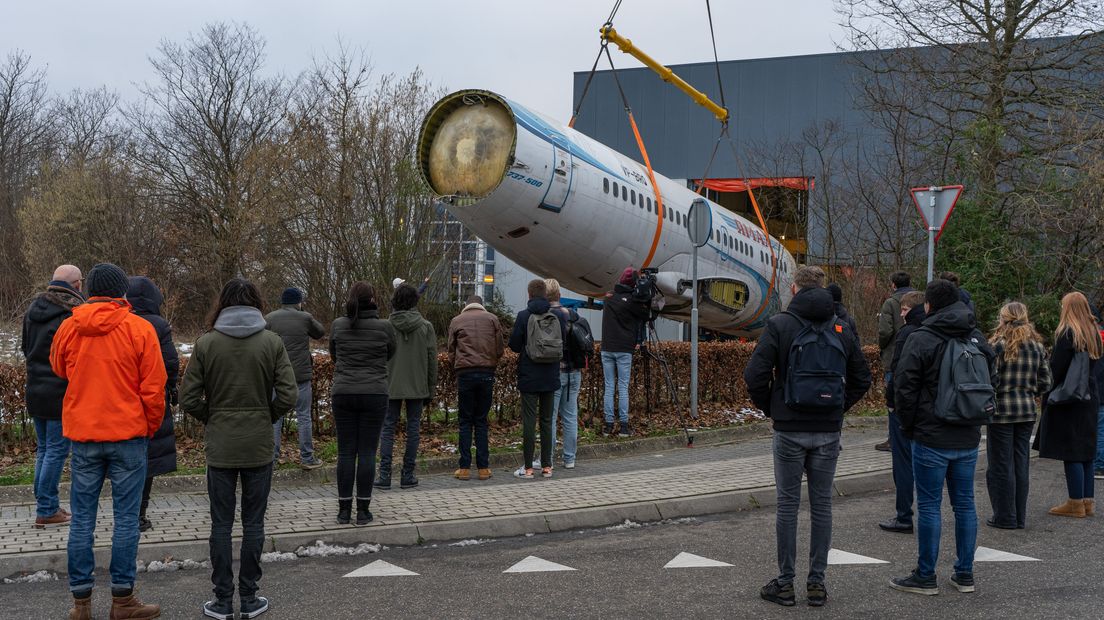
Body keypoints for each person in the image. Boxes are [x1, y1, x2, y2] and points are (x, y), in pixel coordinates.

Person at [744, 266, 872, 607]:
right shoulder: (841, 326)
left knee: (787, 506)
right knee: (822, 506)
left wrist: (774, 408)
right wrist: (838, 409)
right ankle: (817, 583)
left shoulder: (780, 324)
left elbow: (754, 375)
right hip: (827, 431)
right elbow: (863, 377)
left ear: (796, 288)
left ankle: (785, 583)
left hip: (789, 430)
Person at [50, 263, 166, 620]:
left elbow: (58, 367)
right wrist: (148, 426)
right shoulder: (139, 329)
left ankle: (81, 603)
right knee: (126, 520)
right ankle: (123, 599)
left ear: (90, 291)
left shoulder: (71, 327)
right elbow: (154, 388)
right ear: (122, 293)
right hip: (128, 435)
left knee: (82, 519)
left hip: (84, 435)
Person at [181, 278, 297, 620]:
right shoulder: (272, 342)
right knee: (254, 524)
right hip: (259, 446)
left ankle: (221, 600)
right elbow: (289, 395)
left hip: (220, 447)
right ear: (256, 305)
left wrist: (213, 418)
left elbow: (188, 398)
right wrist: (266, 416)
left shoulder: (206, 344)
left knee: (220, 524)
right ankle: (249, 598)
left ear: (223, 305)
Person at [890, 279, 997, 596]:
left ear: (929, 306)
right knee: (965, 505)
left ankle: (926, 576)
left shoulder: (923, 338)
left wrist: (909, 427)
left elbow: (904, 387)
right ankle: (964, 574)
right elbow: (990, 379)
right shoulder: (976, 336)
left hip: (931, 435)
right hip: (967, 434)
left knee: (930, 506)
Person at [20, 264, 83, 529]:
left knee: (45, 450)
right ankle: (46, 508)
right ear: (77, 285)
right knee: (56, 451)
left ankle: (46, 505)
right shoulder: (70, 313)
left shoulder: (33, 310)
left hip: (35, 389)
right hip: (59, 391)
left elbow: (25, 347)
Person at [331, 282, 395, 524]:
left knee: (346, 452)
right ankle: (363, 510)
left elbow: (334, 353)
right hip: (374, 392)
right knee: (368, 451)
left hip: (344, 391)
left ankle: (343, 510)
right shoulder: (385, 327)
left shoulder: (338, 325)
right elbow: (390, 352)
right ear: (373, 299)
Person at [1035, 292, 1102, 519]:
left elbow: (1057, 368)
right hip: (1090, 395)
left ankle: (1074, 502)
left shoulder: (1068, 333)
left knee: (1071, 450)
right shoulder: (1094, 332)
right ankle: (1087, 500)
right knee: (1086, 450)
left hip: (1069, 397)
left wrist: (1044, 389)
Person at [986, 301, 1051, 529]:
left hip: (1001, 411)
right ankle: (1019, 516)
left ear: (1003, 318)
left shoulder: (996, 346)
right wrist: (1029, 391)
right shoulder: (1036, 346)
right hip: (1026, 410)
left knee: (1001, 465)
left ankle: (1005, 516)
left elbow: (989, 380)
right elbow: (1046, 382)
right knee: (1020, 463)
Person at [127, 276, 181, 533]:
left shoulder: (122, 321)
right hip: (151, 398)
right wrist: (170, 387)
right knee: (147, 459)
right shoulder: (158, 325)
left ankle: (125, 512)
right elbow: (170, 362)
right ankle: (139, 514)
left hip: (122, 398)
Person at [378, 284, 437, 490]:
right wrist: (431, 388)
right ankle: (408, 474)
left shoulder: (385, 326)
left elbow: (379, 357)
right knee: (413, 428)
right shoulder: (426, 326)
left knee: (387, 428)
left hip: (390, 383)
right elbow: (432, 360)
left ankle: (384, 474)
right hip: (417, 384)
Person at [509, 278, 567, 479]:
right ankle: (547, 467)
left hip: (529, 376)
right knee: (547, 421)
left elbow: (514, 345)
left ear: (529, 294)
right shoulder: (556, 317)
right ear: (545, 294)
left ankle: (528, 468)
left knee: (529, 421)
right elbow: (562, 345)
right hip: (550, 376)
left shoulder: (523, 316)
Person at [879, 290, 926, 533]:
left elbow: (898, 372)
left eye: (905, 310)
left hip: (904, 407)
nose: (902, 314)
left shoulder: (907, 333)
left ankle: (904, 515)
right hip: (927, 409)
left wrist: (890, 401)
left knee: (903, 461)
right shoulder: (934, 332)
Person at [265, 287, 326, 470]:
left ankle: (272, 459)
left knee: (276, 418)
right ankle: (307, 458)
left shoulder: (269, 318)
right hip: (301, 376)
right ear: (298, 302)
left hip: (277, 376)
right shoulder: (305, 317)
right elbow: (320, 332)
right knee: (304, 416)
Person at [448, 295, 505, 481]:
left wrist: (457, 365)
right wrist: (492, 363)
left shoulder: (456, 320)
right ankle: (483, 468)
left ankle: (464, 468)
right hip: (486, 372)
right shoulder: (492, 319)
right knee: (481, 420)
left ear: (466, 306)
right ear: (482, 305)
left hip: (465, 373)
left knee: (465, 420)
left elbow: (451, 349)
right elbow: (499, 349)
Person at [547, 278, 592, 469]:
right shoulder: (574, 316)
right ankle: (569, 459)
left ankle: (547, 459)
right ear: (559, 294)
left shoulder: (546, 317)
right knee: (570, 416)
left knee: (549, 417)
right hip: (574, 372)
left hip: (555, 372)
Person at [600, 267, 650, 437]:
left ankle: (608, 425)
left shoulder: (608, 298)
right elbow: (647, 315)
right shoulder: (632, 301)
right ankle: (623, 426)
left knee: (609, 387)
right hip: (624, 350)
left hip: (607, 348)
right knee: (622, 387)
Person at [875, 271, 916, 452]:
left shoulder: (891, 303)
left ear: (893, 284)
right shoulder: (919, 300)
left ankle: (893, 439)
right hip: (917, 355)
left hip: (893, 356)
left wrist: (882, 347)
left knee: (893, 398)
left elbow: (885, 331)